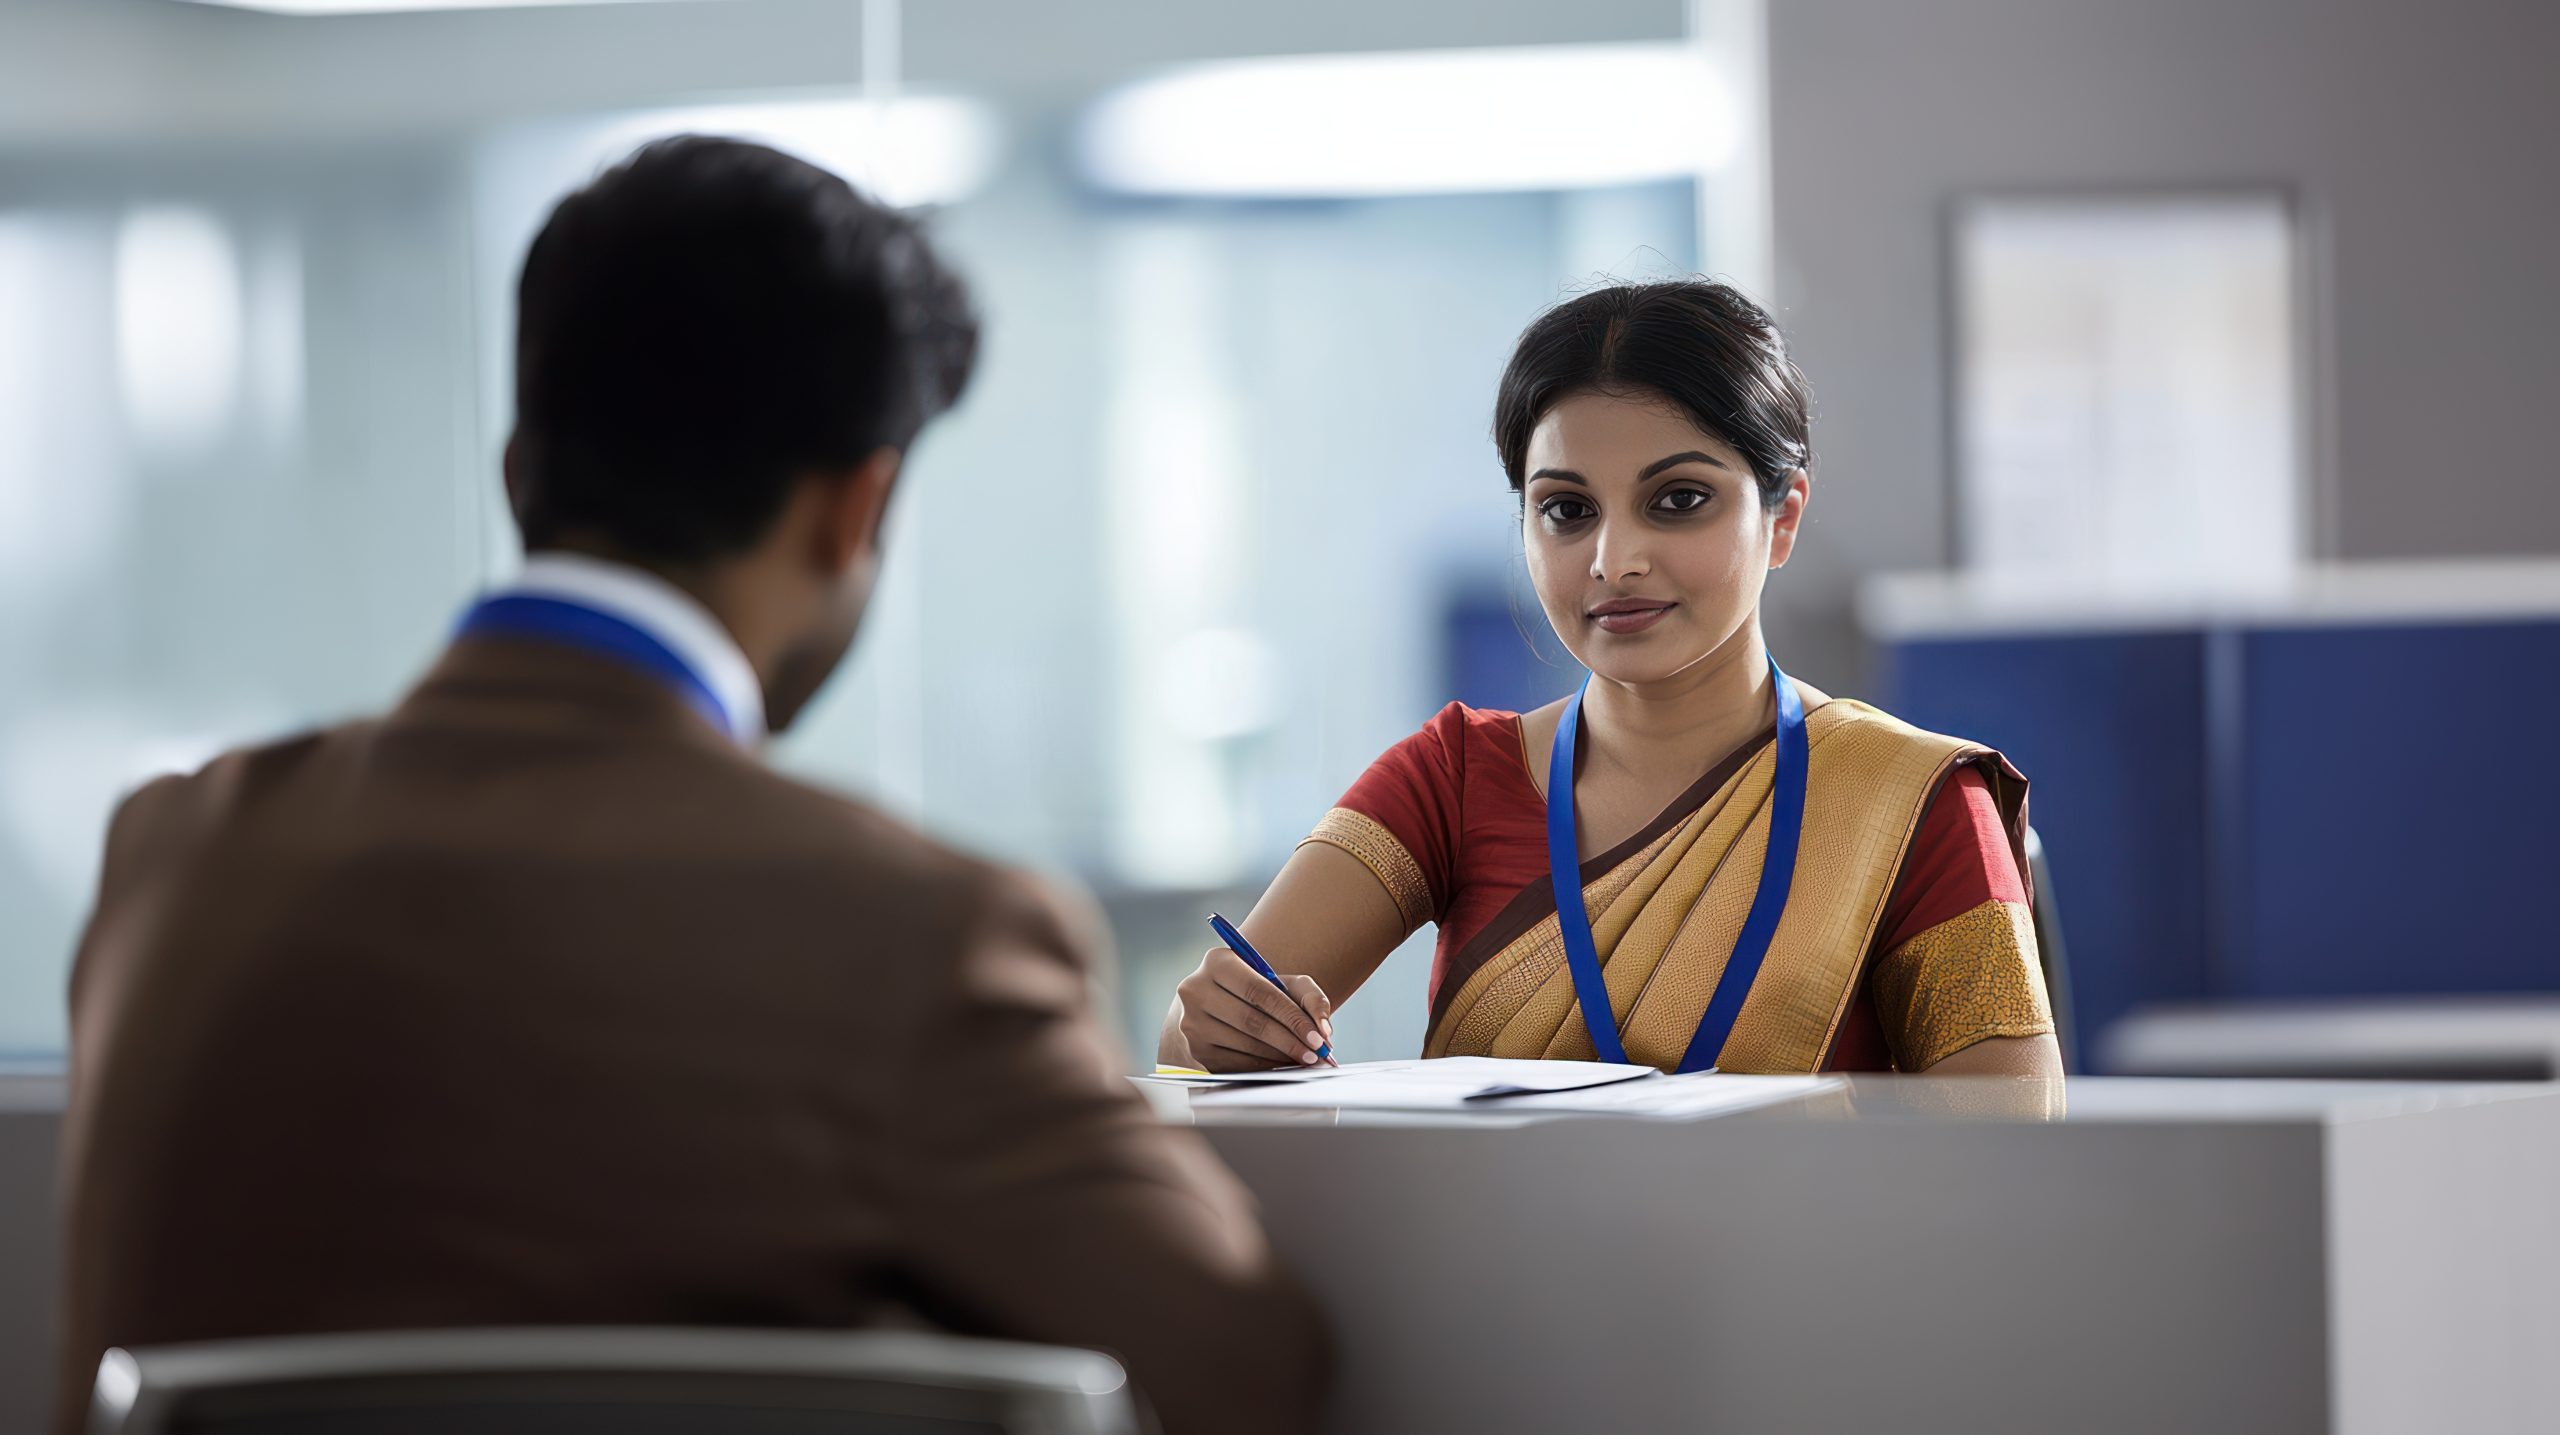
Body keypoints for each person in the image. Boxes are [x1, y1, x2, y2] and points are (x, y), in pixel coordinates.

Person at [56, 137, 1325, 1435]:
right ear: (856, 512)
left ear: (516, 470)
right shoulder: (914, 934)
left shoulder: (174, 857)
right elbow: (1240, 1368)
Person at [1162, 279, 2060, 1079]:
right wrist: (1227, 1026)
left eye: (1678, 500)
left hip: (1801, 1266)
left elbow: (2007, 1149)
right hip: (1482, 1268)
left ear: (1781, 518)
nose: (1613, 559)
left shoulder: (1912, 804)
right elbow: (1188, 1042)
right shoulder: (1450, 780)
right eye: (1567, 510)